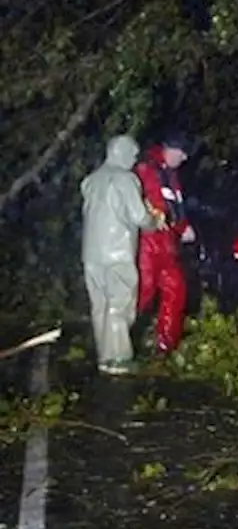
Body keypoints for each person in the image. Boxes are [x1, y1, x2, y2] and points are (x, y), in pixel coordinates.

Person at [80, 135, 163, 375]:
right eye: (133, 154)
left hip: (92, 254)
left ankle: (103, 357)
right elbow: (139, 217)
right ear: (121, 152)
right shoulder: (126, 179)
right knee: (119, 305)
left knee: (99, 305)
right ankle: (118, 359)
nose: (135, 160)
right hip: (117, 253)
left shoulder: (90, 180)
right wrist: (155, 220)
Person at [135, 130, 197, 354]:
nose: (184, 159)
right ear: (170, 149)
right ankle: (121, 339)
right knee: (144, 293)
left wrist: (183, 227)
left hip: (167, 244)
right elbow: (151, 205)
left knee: (176, 289)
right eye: (182, 153)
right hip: (148, 243)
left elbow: (174, 207)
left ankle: (165, 346)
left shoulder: (170, 174)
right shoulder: (146, 169)